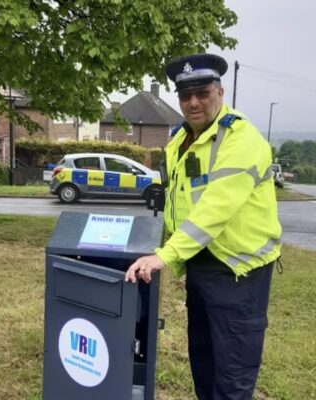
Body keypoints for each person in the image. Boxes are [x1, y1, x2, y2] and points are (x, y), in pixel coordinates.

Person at [125, 53, 282, 400]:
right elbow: (179, 205)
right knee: (204, 362)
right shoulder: (180, 142)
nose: (193, 102)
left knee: (232, 374)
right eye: (185, 95)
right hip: (201, 266)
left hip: (239, 273)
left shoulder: (241, 140)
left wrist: (165, 256)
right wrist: (169, 256)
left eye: (203, 92)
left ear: (220, 92)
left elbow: (214, 210)